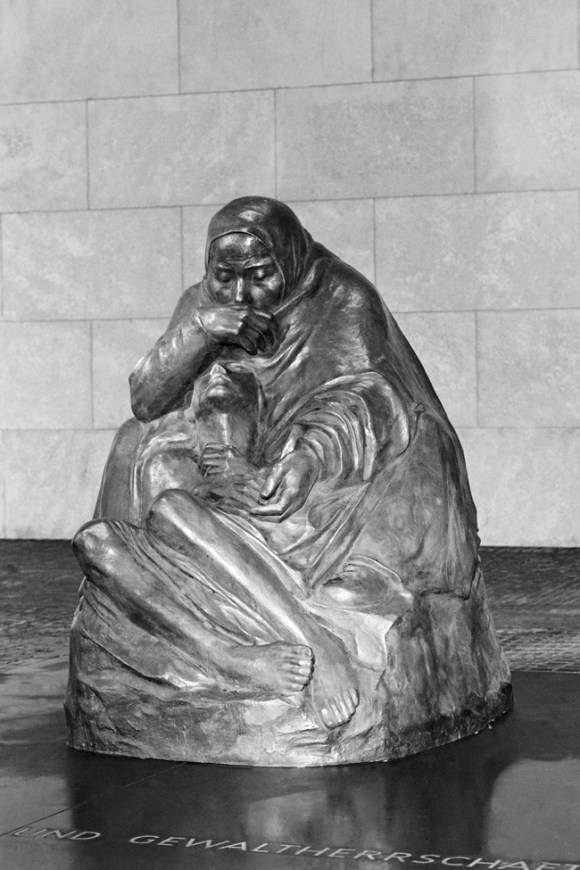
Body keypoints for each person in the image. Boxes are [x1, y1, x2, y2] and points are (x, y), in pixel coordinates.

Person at [73, 196, 481, 731]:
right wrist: (203, 330)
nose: (241, 295)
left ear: (289, 261)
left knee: (174, 510)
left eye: (260, 275)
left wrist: (309, 456)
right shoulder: (204, 306)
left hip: (316, 469)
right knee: (126, 486)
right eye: (224, 278)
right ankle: (233, 650)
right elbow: (147, 400)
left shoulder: (341, 297)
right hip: (223, 473)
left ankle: (314, 609)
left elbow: (370, 393)